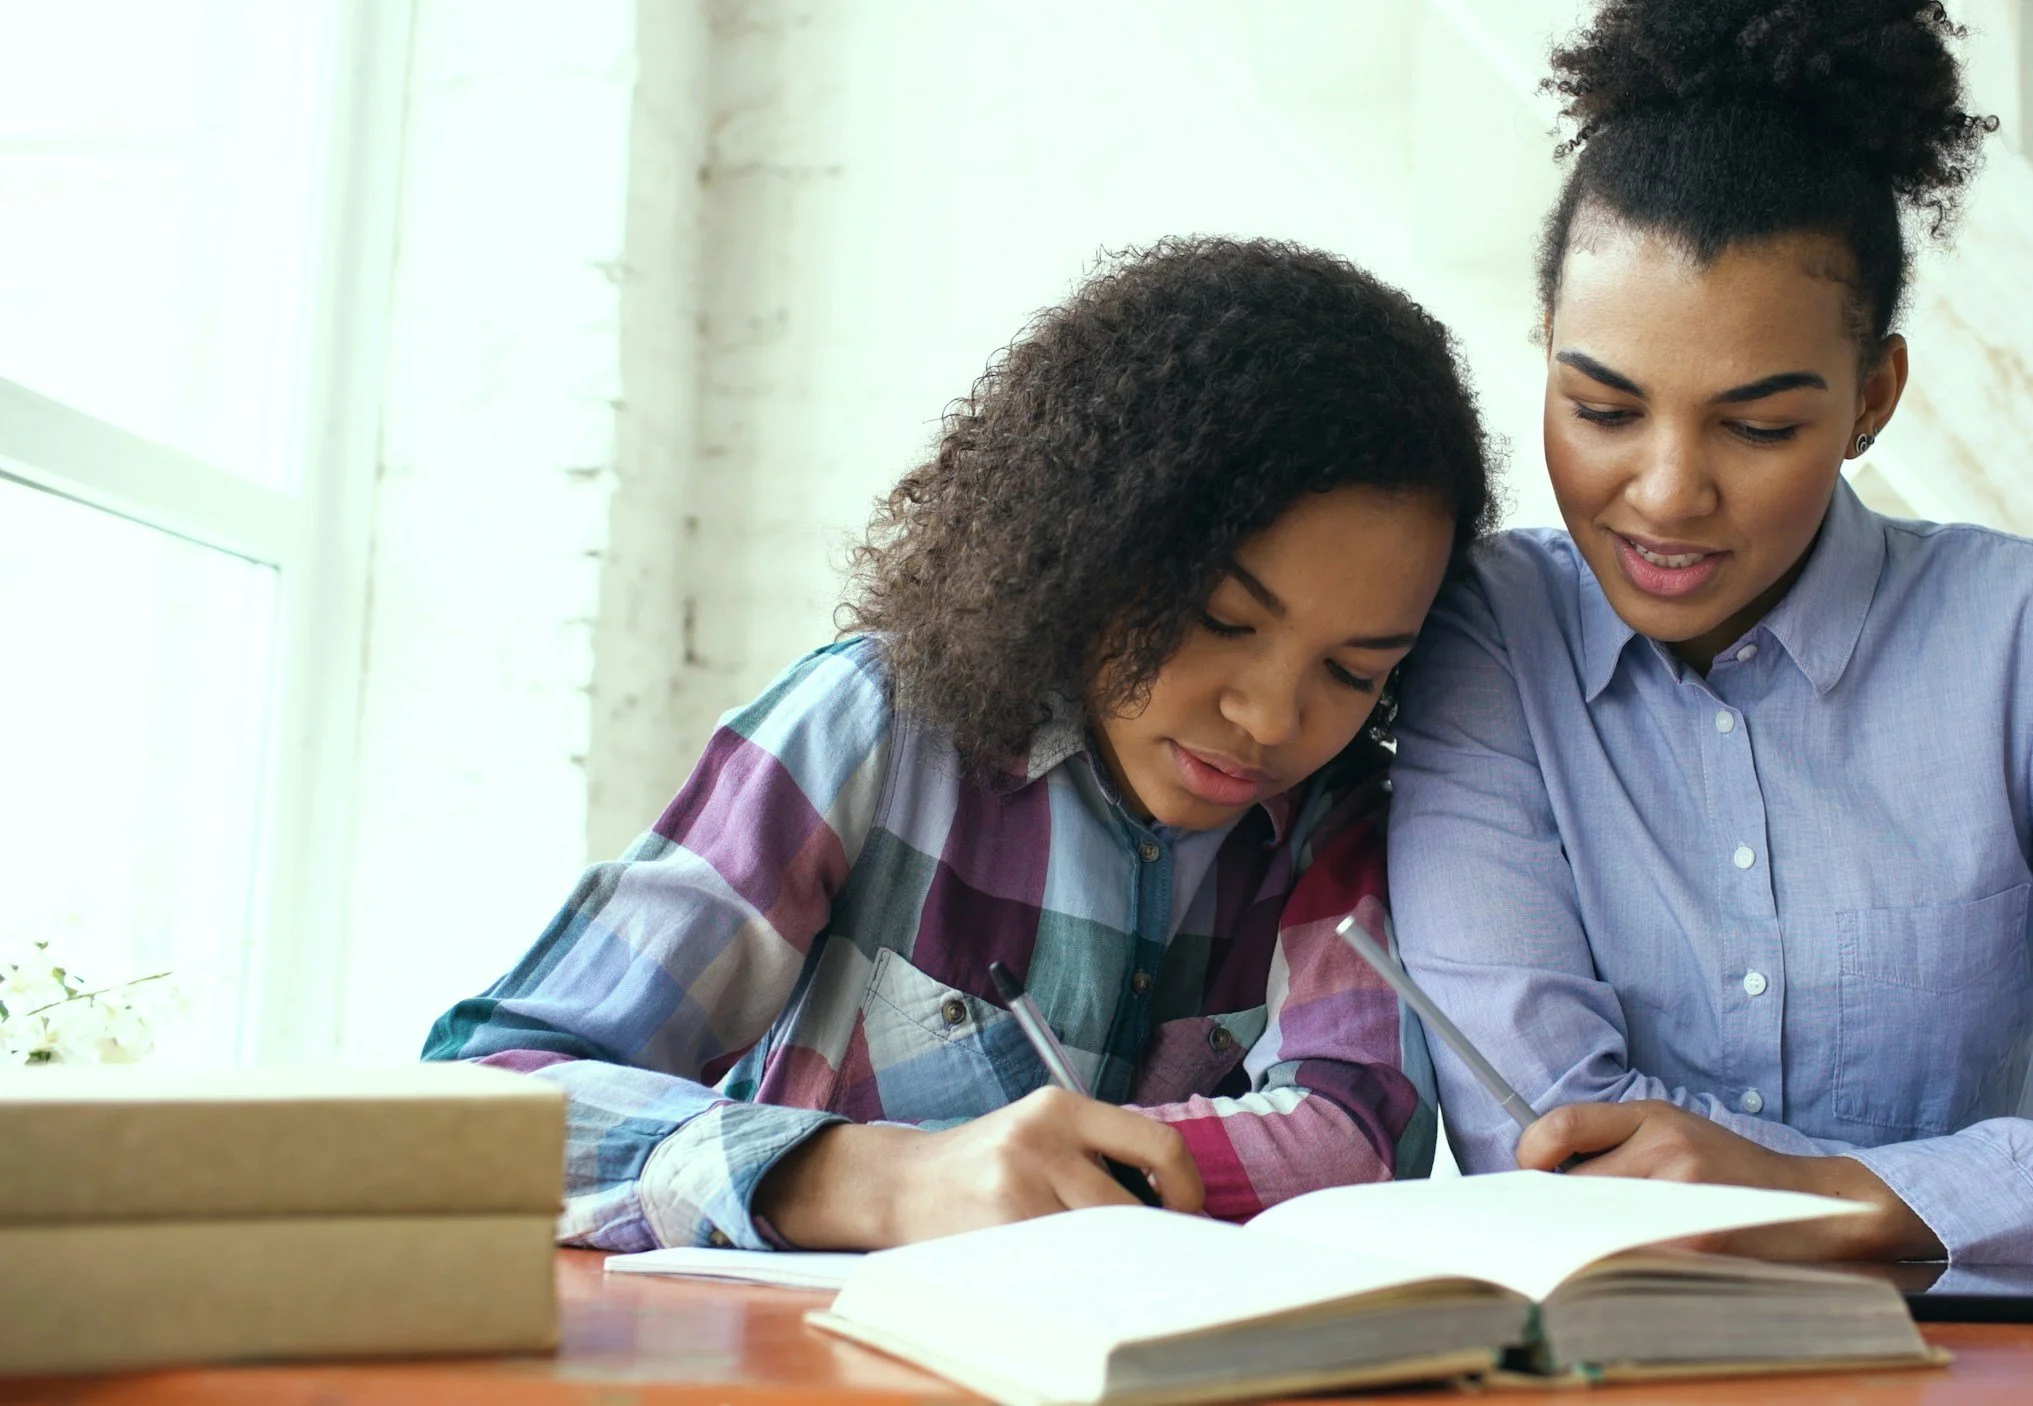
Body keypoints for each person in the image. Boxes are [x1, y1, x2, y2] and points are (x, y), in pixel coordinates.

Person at [1388, 0, 2033, 1266]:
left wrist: (1844, 1193)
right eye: (1602, 406)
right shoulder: (1488, 632)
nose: (1669, 489)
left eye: (1758, 426)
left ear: (1872, 400)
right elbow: (1546, 1132)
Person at [426, 237, 1492, 1251]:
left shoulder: (1339, 821)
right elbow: (484, 1093)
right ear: (1096, 539)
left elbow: (1357, 1136)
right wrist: (868, 1177)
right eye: (1220, 618)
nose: (1270, 717)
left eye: (1354, 671)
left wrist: (1074, 1178)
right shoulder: (870, 728)